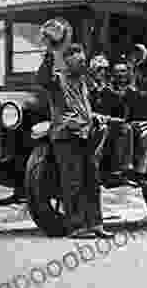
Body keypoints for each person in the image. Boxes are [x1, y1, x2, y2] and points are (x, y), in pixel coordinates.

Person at [36, 42, 114, 239]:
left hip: (85, 135)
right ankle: (77, 227)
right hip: (66, 137)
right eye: (79, 61)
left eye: (83, 60)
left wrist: (94, 117)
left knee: (92, 181)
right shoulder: (57, 81)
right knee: (73, 182)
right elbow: (42, 78)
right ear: (67, 61)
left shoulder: (83, 82)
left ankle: (95, 224)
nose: (83, 64)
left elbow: (84, 105)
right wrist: (49, 54)